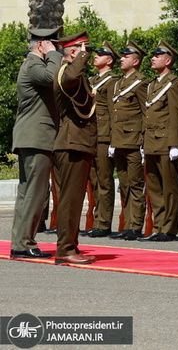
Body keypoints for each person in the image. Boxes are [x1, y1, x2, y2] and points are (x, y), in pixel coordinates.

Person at [9, 26, 62, 259]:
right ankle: (24, 243)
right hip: (36, 137)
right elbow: (53, 77)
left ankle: (20, 242)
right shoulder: (33, 65)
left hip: (32, 137)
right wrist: (54, 55)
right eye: (52, 43)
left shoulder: (32, 64)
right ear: (42, 44)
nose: (56, 47)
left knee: (27, 192)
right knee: (36, 193)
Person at [53, 31, 98, 265]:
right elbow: (71, 78)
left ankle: (70, 245)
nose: (87, 55)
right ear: (73, 51)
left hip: (77, 143)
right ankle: (65, 249)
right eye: (84, 50)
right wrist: (80, 57)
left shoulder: (73, 73)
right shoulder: (66, 72)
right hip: (72, 143)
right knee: (70, 200)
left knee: (73, 199)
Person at [140, 40, 178, 242]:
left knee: (169, 188)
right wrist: (143, 142)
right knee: (155, 188)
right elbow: (147, 115)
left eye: (157, 56)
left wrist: (175, 144)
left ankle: (169, 228)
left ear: (168, 60)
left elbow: (175, 114)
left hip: (166, 142)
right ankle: (158, 226)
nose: (153, 58)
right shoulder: (152, 85)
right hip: (151, 141)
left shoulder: (174, 84)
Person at [109, 40, 148, 241]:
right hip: (119, 141)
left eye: (126, 56)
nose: (122, 59)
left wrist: (143, 142)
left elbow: (145, 112)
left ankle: (135, 225)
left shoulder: (141, 82)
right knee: (123, 184)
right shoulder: (118, 83)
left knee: (135, 184)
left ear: (136, 61)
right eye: (122, 56)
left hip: (133, 140)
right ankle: (127, 224)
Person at [85, 41, 120, 238]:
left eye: (100, 54)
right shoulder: (91, 80)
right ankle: (97, 219)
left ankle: (104, 223)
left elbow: (114, 112)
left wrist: (113, 139)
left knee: (105, 180)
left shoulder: (112, 81)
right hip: (91, 135)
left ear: (109, 60)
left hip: (104, 135)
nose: (95, 56)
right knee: (94, 181)